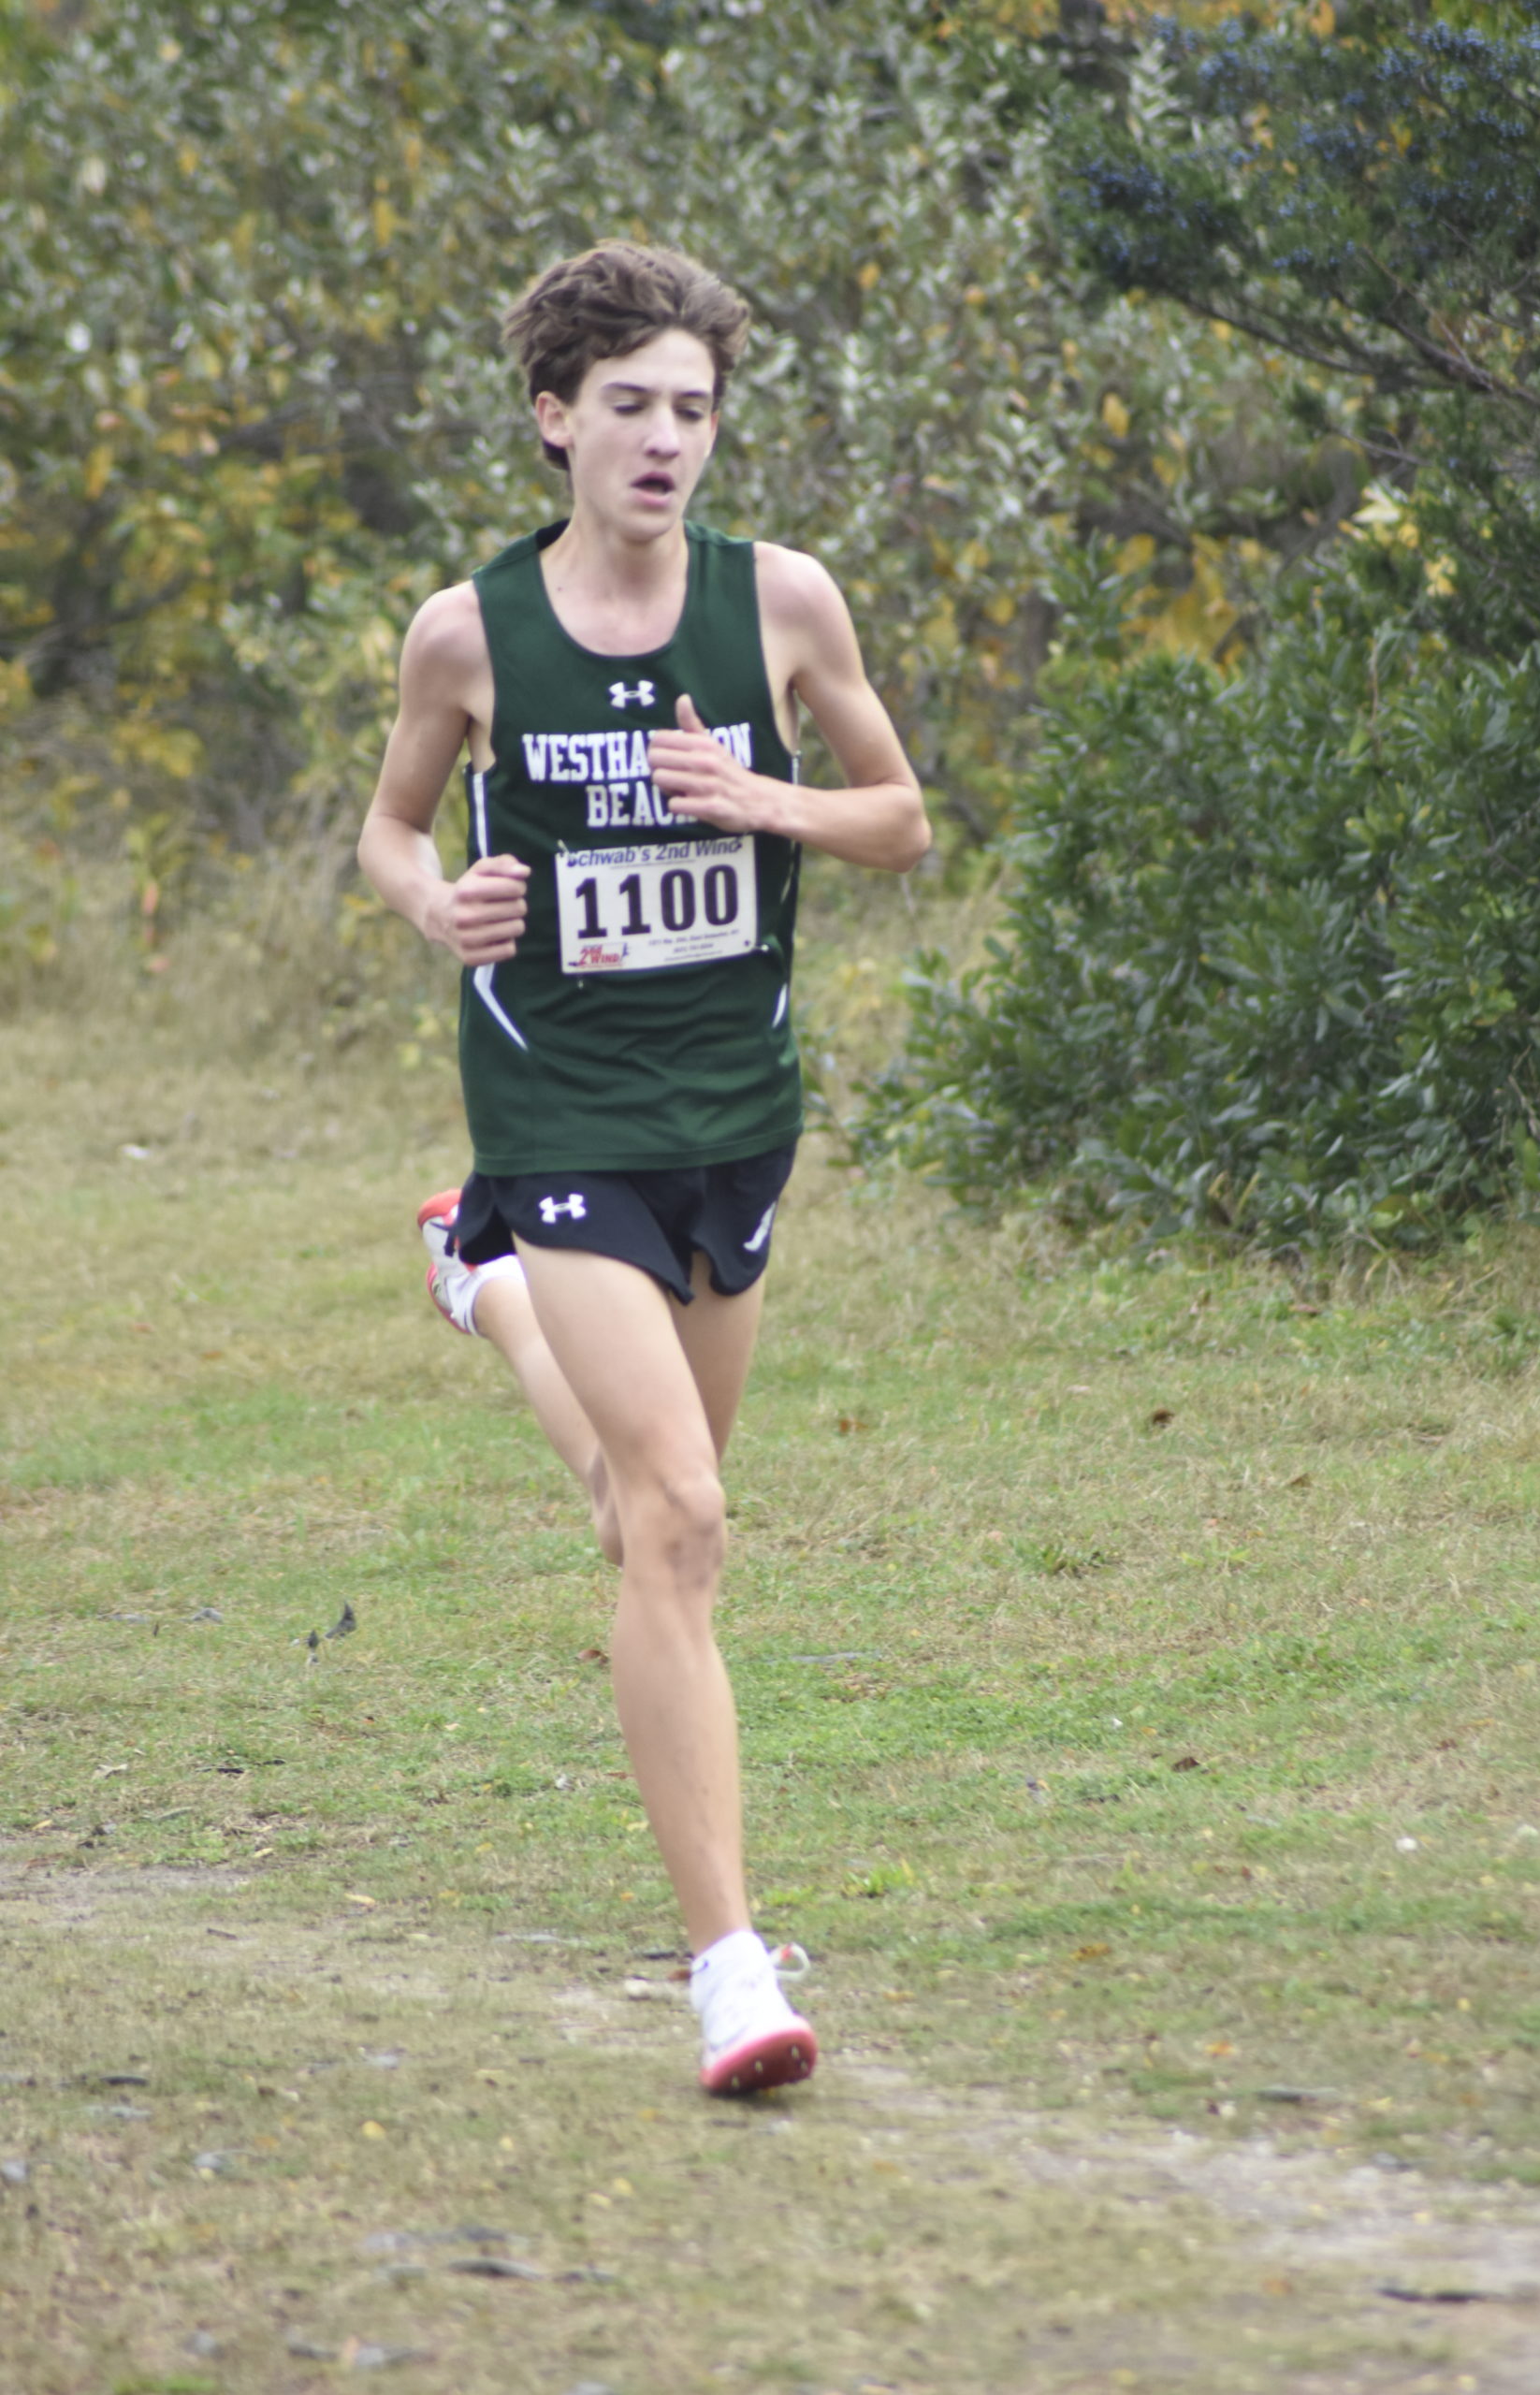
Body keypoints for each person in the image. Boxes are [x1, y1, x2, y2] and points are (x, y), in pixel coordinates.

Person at [357, 240, 929, 2095]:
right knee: (682, 1519)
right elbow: (383, 826)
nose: (667, 439)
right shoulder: (471, 631)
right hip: (561, 1111)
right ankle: (725, 1966)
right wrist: (437, 897)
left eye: (693, 408)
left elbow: (901, 822)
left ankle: (478, 1281)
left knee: (635, 1518)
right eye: (630, 406)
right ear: (554, 418)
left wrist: (761, 800)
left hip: (731, 1120)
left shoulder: (782, 605)